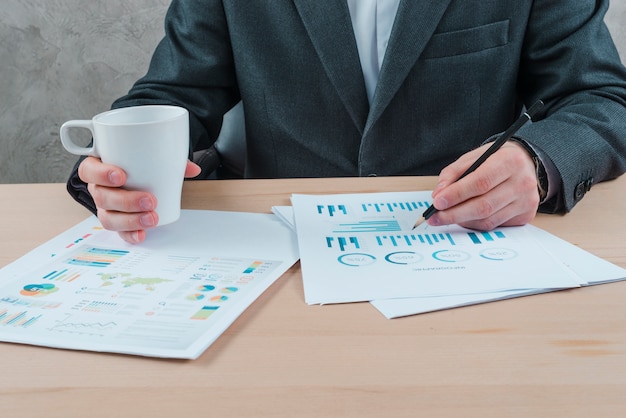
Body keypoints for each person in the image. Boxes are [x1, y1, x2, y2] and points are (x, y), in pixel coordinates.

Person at [67, 0, 626, 244]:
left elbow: (602, 97)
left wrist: (538, 161)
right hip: (282, 258)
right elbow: (175, 93)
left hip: (467, 248)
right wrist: (119, 172)